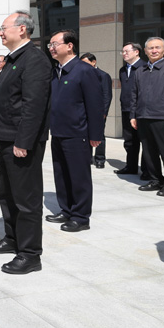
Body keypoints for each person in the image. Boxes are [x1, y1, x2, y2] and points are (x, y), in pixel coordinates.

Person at [0, 11, 51, 275]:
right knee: (8, 194)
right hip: (5, 139)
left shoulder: (34, 60)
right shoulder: (13, 60)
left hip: (21, 143)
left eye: (4, 28)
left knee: (27, 199)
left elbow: (34, 107)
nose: (0, 32)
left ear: (22, 29)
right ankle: (12, 239)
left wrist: (23, 141)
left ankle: (30, 254)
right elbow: (6, 103)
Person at [47, 31, 104, 232]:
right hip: (58, 132)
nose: (51, 48)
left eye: (55, 44)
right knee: (61, 174)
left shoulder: (84, 71)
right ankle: (66, 209)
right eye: (50, 45)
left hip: (78, 133)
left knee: (79, 176)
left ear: (70, 45)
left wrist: (96, 135)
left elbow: (95, 105)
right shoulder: (56, 71)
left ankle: (80, 217)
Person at [131, 37, 164, 197]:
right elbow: (134, 95)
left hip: (163, 117)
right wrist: (133, 115)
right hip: (143, 116)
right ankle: (156, 179)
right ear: (145, 51)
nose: (154, 50)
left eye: (157, 47)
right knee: (149, 152)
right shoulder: (140, 71)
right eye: (150, 48)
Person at [116, 42, 148, 178]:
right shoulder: (123, 70)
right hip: (126, 109)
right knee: (129, 141)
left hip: (141, 111)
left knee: (145, 141)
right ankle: (131, 166)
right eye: (122, 51)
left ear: (137, 52)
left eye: (126, 51)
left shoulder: (145, 68)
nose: (124, 54)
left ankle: (147, 170)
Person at [79, 53, 112, 169]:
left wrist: (104, 113)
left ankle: (100, 159)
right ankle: (87, 158)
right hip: (85, 112)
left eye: (86, 63)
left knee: (99, 135)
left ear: (94, 62)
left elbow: (107, 96)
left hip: (99, 112)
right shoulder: (82, 75)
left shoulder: (103, 76)